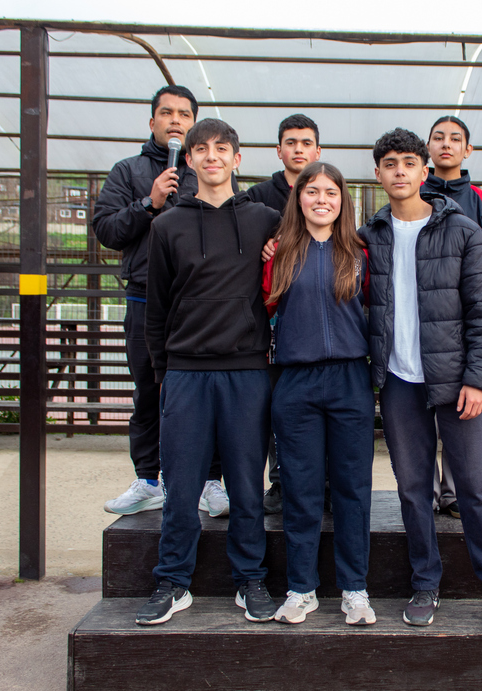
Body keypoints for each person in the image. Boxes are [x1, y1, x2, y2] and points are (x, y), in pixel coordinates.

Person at [360, 128, 482, 636]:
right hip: (398, 382)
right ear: (378, 174)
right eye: (390, 163)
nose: (400, 171)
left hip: (457, 384)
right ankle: (425, 583)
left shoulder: (461, 231)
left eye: (409, 162)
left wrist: (479, 380)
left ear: (424, 170)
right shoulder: (369, 236)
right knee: (413, 490)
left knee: (473, 487)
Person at [134, 119, 281, 626]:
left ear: (237, 159)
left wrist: (278, 249)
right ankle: (173, 581)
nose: (212, 156)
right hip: (186, 374)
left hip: (247, 372)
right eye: (202, 149)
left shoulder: (266, 220)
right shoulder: (166, 225)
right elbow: (156, 308)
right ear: (190, 159)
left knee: (246, 486)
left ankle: (250, 579)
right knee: (181, 487)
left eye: (222, 149)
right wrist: (164, 373)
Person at [93, 85, 228, 518]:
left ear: (194, 123)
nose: (175, 121)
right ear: (152, 121)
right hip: (144, 298)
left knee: (208, 392)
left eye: (184, 114)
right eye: (167, 113)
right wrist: (147, 204)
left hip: (199, 304)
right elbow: (107, 231)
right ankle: (148, 479)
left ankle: (210, 480)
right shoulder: (127, 171)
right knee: (149, 391)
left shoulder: (208, 170)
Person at [262, 161, 376, 626]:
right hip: (296, 383)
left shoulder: (360, 253)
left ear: (342, 200)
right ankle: (301, 589)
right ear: (299, 198)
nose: (322, 199)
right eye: (312, 191)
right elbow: (263, 307)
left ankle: (355, 589)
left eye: (331, 192)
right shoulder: (279, 252)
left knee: (352, 488)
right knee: (301, 489)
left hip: (350, 380)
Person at [424, 115, 482, 519]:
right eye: (438, 137)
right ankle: (424, 494)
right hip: (420, 327)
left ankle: (455, 494)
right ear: (428, 147)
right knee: (420, 417)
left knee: (464, 411)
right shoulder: (412, 196)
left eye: (455, 139)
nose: (446, 144)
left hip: (462, 330)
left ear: (467, 149)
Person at [247, 114, 322, 516]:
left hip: (319, 322)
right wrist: (263, 251)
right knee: (278, 407)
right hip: (273, 324)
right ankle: (279, 483)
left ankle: (323, 482)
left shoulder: (329, 189)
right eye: (290, 142)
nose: (298, 149)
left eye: (306, 142)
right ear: (278, 150)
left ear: (318, 151)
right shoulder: (257, 197)